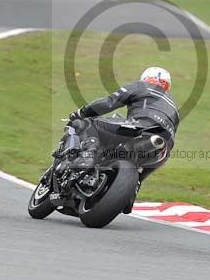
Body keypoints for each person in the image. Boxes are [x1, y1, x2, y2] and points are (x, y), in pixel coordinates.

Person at [64, 67, 179, 213]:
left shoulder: (140, 86)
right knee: (142, 170)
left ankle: (88, 156)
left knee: (90, 123)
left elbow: (108, 103)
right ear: (167, 85)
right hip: (163, 148)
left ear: (145, 78)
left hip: (139, 127)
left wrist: (82, 112)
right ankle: (131, 193)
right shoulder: (173, 104)